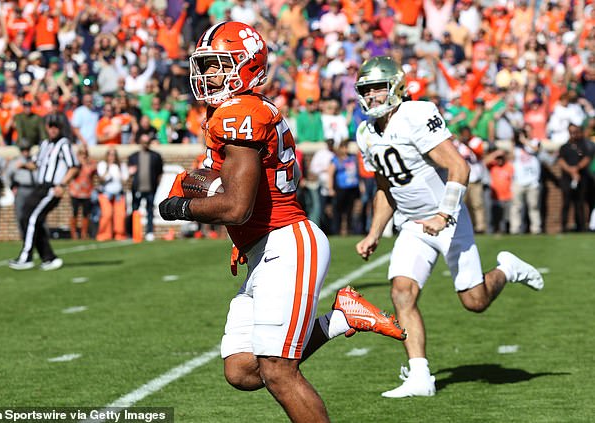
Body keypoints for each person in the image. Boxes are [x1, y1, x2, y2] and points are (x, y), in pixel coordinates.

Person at [158, 22, 406, 422]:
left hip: (287, 243)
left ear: (246, 66)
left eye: (218, 65)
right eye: (204, 66)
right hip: (264, 249)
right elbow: (212, 176)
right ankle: (342, 317)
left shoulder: (242, 113)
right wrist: (194, 183)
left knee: (277, 370)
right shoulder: (231, 112)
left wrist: (179, 208)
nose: (207, 76)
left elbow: (236, 207)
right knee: (242, 370)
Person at [353, 57, 544, 398]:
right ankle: (420, 376)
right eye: (366, 89)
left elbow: (459, 167)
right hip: (411, 225)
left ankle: (507, 270)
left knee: (474, 301)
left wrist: (443, 214)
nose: (372, 96)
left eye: (378, 87)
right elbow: (386, 186)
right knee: (401, 292)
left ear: (397, 86)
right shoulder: (365, 132)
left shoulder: (415, 114)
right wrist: (374, 232)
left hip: (448, 219)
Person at [9, 114, 80, 271]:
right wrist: (23, 165)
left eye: (56, 126)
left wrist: (62, 184)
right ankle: (49, 258)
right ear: (47, 128)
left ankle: (26, 256)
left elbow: (74, 166)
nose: (53, 129)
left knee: (33, 217)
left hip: (52, 187)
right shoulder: (45, 144)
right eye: (50, 126)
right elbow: (37, 164)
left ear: (60, 128)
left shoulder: (64, 144)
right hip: (40, 187)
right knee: (26, 216)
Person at [128, 134, 163, 241]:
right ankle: (133, 232)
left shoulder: (155, 156)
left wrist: (157, 185)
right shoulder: (133, 157)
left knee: (150, 211)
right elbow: (129, 172)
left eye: (147, 142)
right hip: (137, 188)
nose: (145, 144)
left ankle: (149, 232)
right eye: (143, 142)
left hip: (150, 188)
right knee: (135, 210)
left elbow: (160, 173)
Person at [5, 142, 36, 237]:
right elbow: (7, 175)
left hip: (33, 189)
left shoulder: (34, 160)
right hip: (21, 189)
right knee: (20, 214)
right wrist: (11, 187)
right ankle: (23, 235)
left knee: (33, 214)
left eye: (27, 150)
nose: (25, 152)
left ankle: (34, 235)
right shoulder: (15, 161)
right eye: (23, 150)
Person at [96, 147, 128, 241]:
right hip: (106, 194)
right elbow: (101, 178)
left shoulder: (121, 166)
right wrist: (108, 168)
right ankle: (104, 234)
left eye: (114, 154)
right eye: (110, 154)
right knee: (107, 214)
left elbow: (124, 180)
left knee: (120, 215)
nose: (112, 156)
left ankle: (119, 234)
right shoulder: (103, 165)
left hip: (118, 194)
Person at [68, 145, 96, 239]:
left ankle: (84, 233)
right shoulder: (75, 164)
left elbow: (94, 170)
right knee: (74, 212)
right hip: (75, 191)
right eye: (81, 153)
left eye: (85, 153)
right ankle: (74, 233)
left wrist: (87, 162)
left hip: (86, 192)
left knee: (85, 213)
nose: (83, 155)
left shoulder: (90, 164)